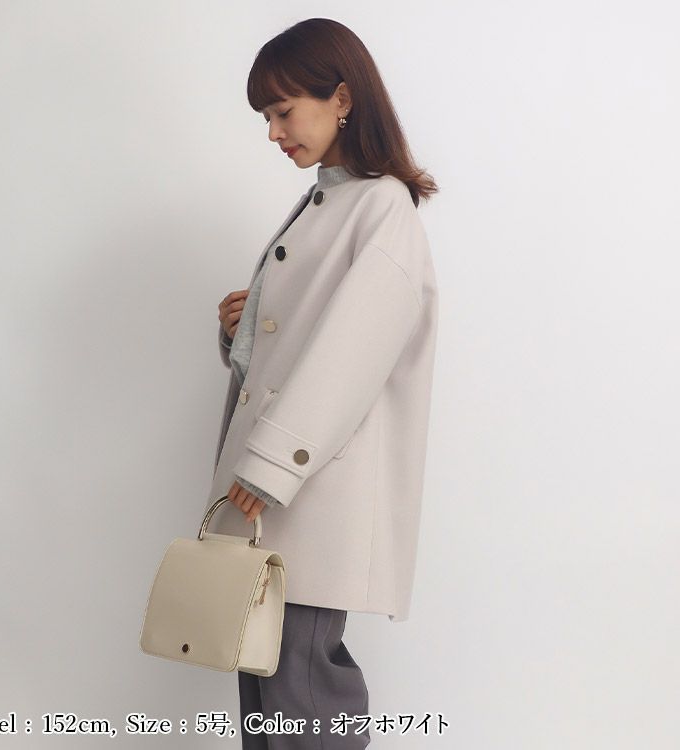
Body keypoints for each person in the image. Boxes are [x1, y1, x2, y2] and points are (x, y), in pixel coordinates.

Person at [212, 17, 440, 749]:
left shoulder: (381, 206)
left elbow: (352, 355)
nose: (273, 132)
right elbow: (303, 340)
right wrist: (243, 329)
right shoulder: (328, 201)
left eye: (283, 111)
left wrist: (270, 465)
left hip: (303, 492)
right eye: (266, 116)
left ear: (342, 98)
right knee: (266, 693)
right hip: (276, 496)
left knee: (301, 691)